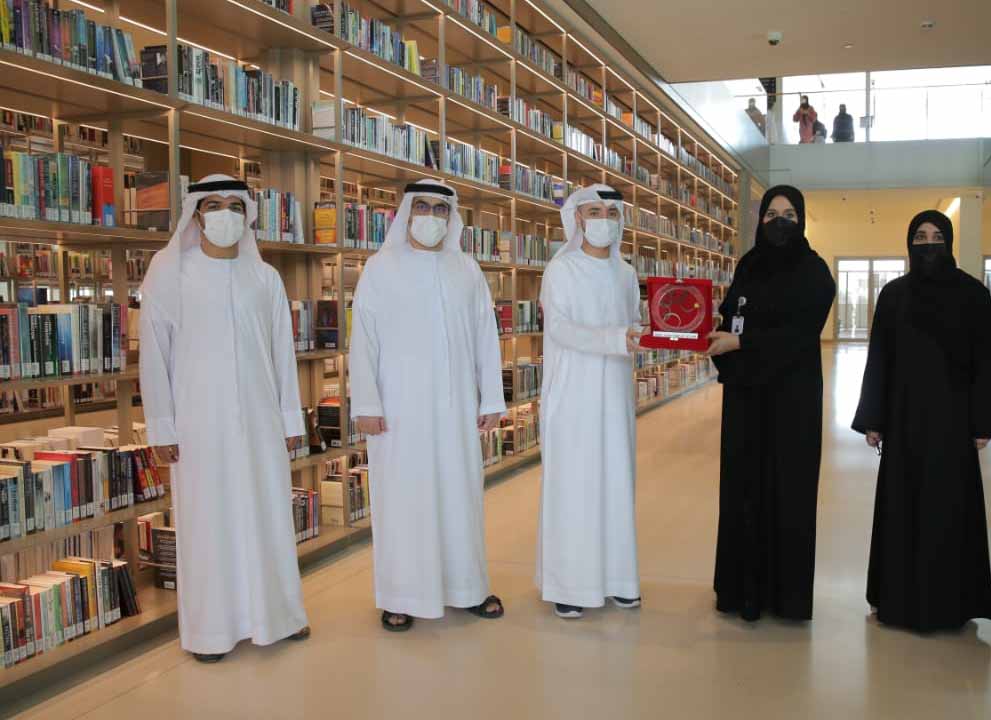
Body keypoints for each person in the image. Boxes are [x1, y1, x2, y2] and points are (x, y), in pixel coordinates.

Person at [139, 175, 310, 663]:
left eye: (235, 205)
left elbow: (281, 353)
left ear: (248, 215)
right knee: (207, 523)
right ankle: (210, 631)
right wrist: (162, 428)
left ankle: (279, 616)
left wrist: (289, 422)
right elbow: (154, 357)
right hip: (198, 424)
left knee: (267, 515)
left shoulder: (265, 278)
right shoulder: (168, 273)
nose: (225, 214)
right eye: (213, 204)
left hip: (259, 423)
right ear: (195, 214)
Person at [349, 181, 508, 632]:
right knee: (403, 500)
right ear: (405, 211)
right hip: (398, 411)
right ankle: (401, 595)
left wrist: (492, 396)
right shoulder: (380, 269)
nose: (432, 215)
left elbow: (485, 338)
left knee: (460, 495)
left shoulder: (467, 270)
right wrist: (366, 403)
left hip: (456, 409)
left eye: (442, 208)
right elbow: (363, 341)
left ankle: (467, 587)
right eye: (423, 206)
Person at [852, 210, 991, 632]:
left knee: (948, 507)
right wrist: (874, 418)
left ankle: (949, 603)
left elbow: (988, 360)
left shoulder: (972, 295)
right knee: (902, 505)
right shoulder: (894, 295)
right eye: (919, 236)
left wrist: (984, 422)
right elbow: (880, 358)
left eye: (937, 236)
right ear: (909, 242)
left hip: (953, 423)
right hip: (903, 421)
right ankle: (897, 599)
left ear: (950, 241)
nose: (928, 244)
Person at [705, 185, 835, 621]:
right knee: (743, 488)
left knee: (787, 491)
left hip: (791, 401)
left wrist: (741, 341)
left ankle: (786, 597)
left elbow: (799, 334)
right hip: (746, 398)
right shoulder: (748, 264)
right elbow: (730, 311)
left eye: (790, 214)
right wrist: (714, 336)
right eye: (771, 213)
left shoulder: (815, 273)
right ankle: (741, 591)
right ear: (760, 220)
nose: (780, 221)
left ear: (801, 220)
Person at [537, 184, 646, 619]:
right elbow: (561, 329)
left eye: (611, 212)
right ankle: (570, 583)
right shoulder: (560, 270)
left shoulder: (627, 273)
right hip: (572, 395)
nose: (604, 219)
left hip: (615, 395)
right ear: (578, 218)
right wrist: (617, 338)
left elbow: (634, 323)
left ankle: (618, 579)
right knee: (575, 486)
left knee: (616, 482)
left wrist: (643, 334)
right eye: (595, 211)